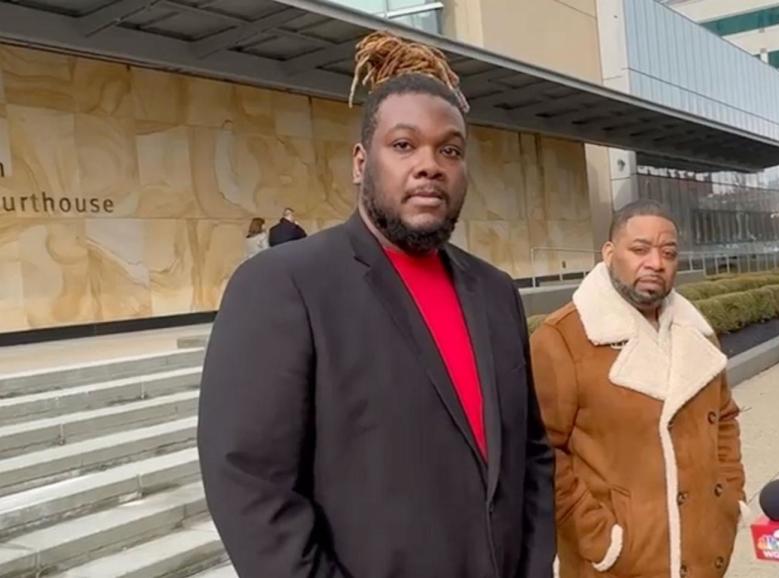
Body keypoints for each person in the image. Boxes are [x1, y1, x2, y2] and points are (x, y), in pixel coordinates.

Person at [198, 31, 555, 578]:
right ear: (361, 162)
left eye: (450, 149)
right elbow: (252, 490)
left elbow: (532, 455)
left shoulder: (496, 292)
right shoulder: (282, 285)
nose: (430, 164)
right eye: (405, 145)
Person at [531, 200, 746, 578]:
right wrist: (600, 537)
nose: (656, 263)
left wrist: (730, 496)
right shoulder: (562, 339)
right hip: (617, 563)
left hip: (703, 554)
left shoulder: (698, 333)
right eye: (640, 249)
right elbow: (539, 451)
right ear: (610, 253)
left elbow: (725, 417)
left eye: (669, 252)